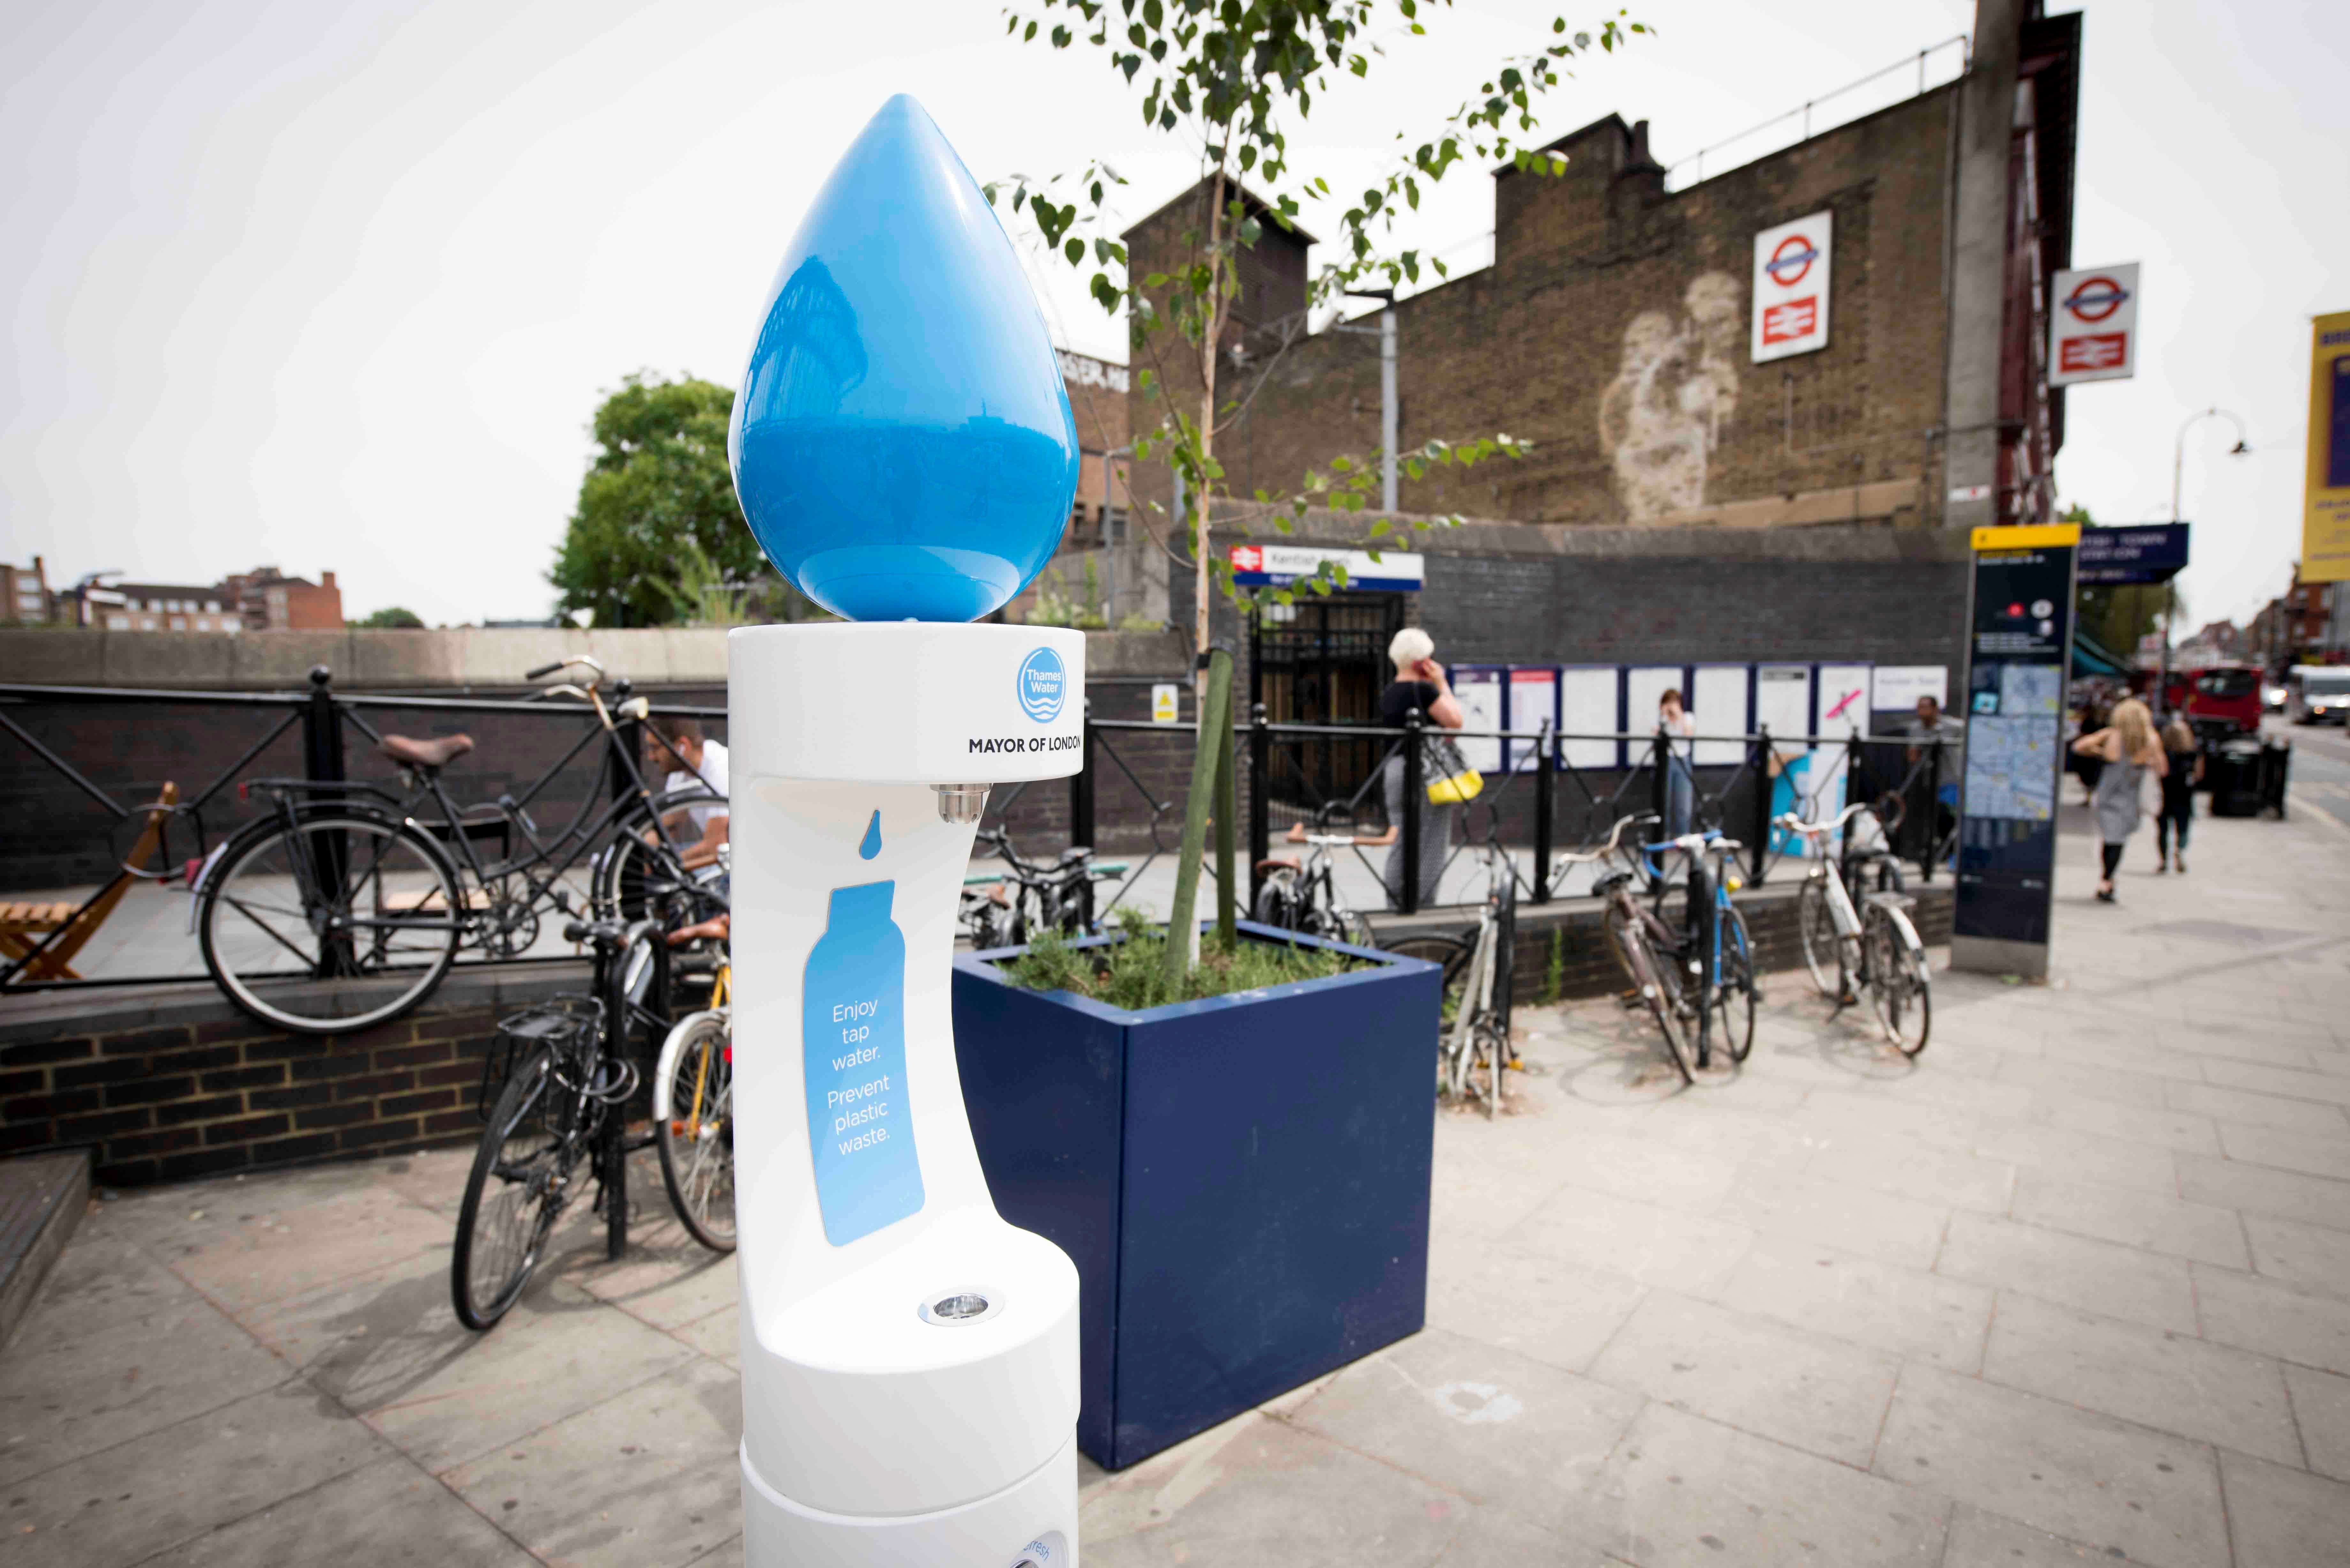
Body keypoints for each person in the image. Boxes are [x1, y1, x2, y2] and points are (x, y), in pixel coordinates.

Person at [1366, 627, 1465, 910]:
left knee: (1403, 838)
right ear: (1423, 662)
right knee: (1433, 840)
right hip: (1424, 774)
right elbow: (1455, 721)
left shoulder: (1390, 693)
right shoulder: (1424, 689)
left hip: (1394, 771)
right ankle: (1422, 903)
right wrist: (1442, 683)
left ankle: (1395, 901)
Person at [2069, 696, 2167, 903]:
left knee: (2110, 839)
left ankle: (2107, 879)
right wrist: (2145, 763)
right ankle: (2108, 879)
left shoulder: (2112, 734)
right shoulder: (2150, 738)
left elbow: (2079, 746)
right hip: (2130, 797)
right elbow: (2163, 769)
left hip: (2108, 794)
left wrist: (2101, 752)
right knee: (2118, 840)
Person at [647, 716, 730, 870]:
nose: (651, 757)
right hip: (719, 858)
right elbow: (667, 826)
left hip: (739, 865)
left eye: (655, 748)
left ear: (683, 746)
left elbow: (716, 847)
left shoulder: (721, 770)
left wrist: (664, 867)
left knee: (664, 874)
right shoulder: (680, 772)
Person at [1905, 694, 1966, 851]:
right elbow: (1912, 756)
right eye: (1919, 708)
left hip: (1952, 780)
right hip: (1930, 782)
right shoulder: (1916, 729)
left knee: (1951, 817)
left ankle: (1953, 853)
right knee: (1935, 819)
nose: (1922, 712)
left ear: (1935, 710)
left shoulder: (1954, 726)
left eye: (1925, 708)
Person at [2155, 712, 2203, 874]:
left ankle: (2164, 861)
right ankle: (2180, 850)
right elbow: (2199, 775)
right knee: (2183, 828)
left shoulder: (2162, 752)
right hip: (2184, 796)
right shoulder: (2193, 753)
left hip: (2164, 794)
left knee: (2163, 830)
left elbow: (2159, 772)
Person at [1657, 688, 1697, 839]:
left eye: (1674, 702)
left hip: (1683, 759)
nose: (1671, 706)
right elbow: (1656, 737)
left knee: (1683, 802)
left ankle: (1683, 837)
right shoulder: (1663, 719)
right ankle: (1664, 836)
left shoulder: (1688, 717)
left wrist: (1678, 716)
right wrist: (1664, 716)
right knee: (1665, 800)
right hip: (1667, 759)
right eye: (1668, 703)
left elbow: (1689, 735)